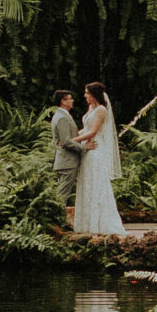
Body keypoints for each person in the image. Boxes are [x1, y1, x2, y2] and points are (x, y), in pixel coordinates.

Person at [70, 80, 125, 236]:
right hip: (87, 149)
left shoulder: (101, 110)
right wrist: (73, 137)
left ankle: (101, 222)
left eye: (87, 93)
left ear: (94, 94)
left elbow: (93, 132)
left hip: (96, 148)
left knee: (97, 182)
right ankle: (86, 222)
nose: (85, 95)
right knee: (87, 182)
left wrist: (72, 141)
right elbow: (85, 129)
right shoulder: (90, 108)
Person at [47, 89, 83, 225]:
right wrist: (84, 148)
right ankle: (55, 222)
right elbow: (66, 141)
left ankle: (56, 220)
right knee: (62, 194)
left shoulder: (63, 115)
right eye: (70, 99)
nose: (72, 100)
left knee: (62, 193)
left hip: (66, 161)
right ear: (63, 101)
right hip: (67, 162)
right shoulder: (62, 117)